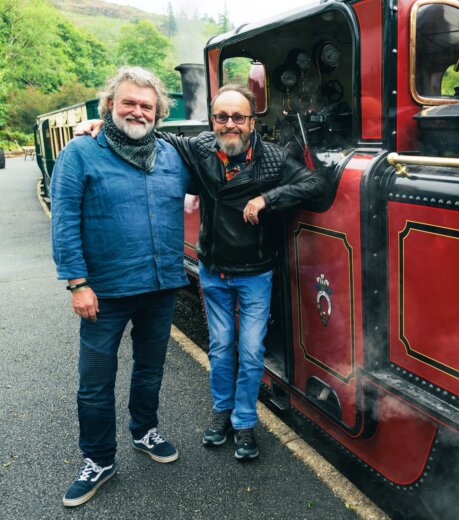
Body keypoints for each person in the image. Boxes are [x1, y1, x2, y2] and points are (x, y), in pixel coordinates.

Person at [78, 84, 327, 461]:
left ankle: (244, 423)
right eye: (221, 117)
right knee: (222, 347)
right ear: (212, 121)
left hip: (254, 273)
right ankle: (222, 411)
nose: (230, 124)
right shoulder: (200, 148)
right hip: (213, 271)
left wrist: (267, 199)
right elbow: (151, 131)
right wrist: (103, 124)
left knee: (252, 351)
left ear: (251, 121)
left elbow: (314, 183)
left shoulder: (273, 159)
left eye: (238, 117)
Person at [52, 66, 190, 507]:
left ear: (158, 113)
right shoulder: (80, 153)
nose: (137, 111)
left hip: (160, 284)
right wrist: (77, 283)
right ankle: (98, 459)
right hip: (104, 291)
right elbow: (64, 220)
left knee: (150, 369)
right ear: (109, 104)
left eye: (146, 105)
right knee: (95, 382)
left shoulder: (172, 154)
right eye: (128, 102)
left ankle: (144, 431)